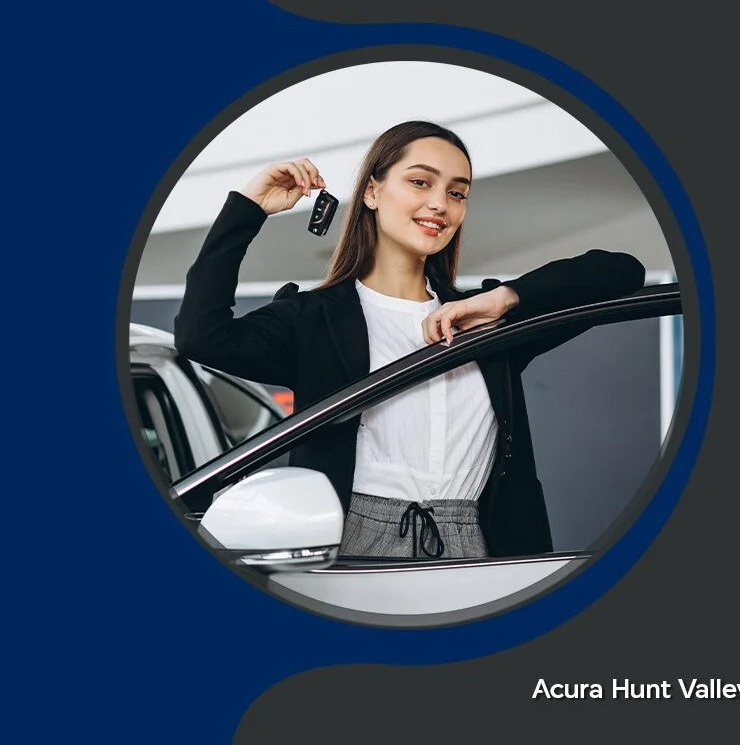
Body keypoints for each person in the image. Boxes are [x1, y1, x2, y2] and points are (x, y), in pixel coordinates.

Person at [174, 120, 646, 560]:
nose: (441, 204)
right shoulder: (314, 319)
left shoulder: (483, 320)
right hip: (351, 542)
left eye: (457, 192)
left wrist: (504, 300)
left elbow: (622, 270)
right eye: (421, 182)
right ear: (373, 192)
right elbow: (202, 337)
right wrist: (248, 208)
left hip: (481, 544)